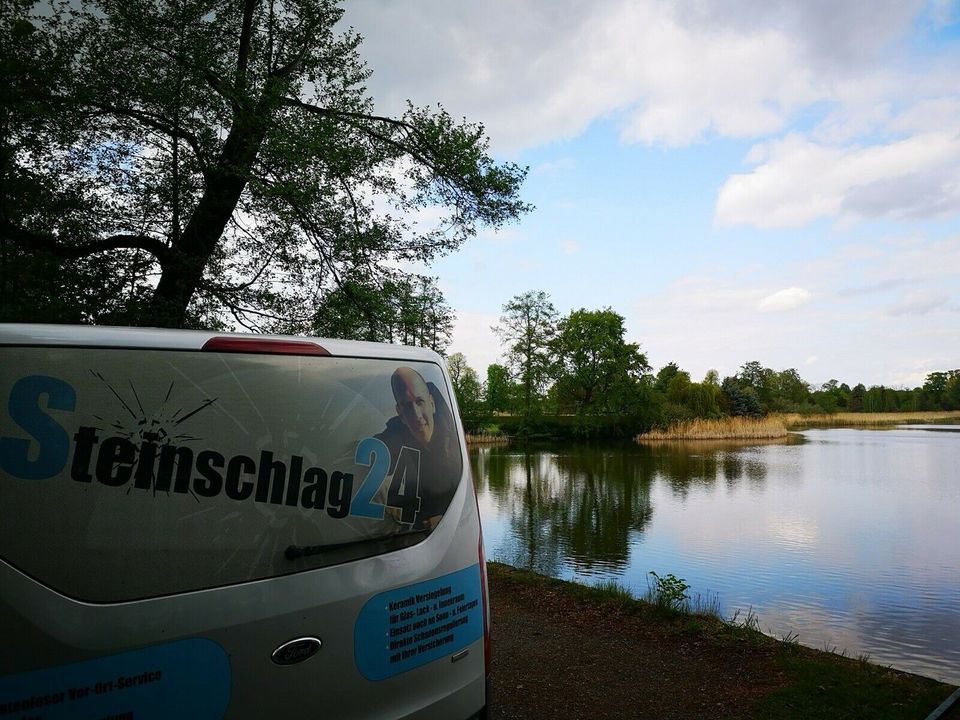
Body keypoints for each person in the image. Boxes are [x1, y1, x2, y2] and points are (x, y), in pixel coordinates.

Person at [375, 367, 460, 531]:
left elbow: (466, 504)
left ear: (432, 404)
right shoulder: (392, 436)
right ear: (400, 413)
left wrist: (446, 519)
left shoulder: (456, 449)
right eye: (407, 406)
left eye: (419, 402)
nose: (416, 414)